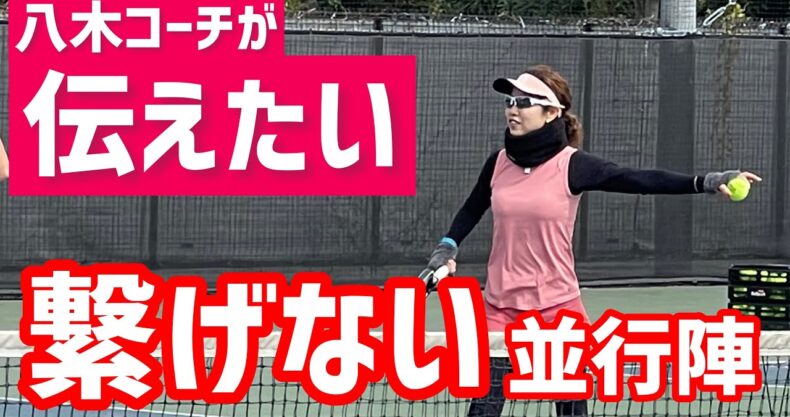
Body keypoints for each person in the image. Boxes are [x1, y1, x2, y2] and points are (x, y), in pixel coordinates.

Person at [425, 65, 762, 417]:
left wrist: (706, 181)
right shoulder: (497, 163)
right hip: (500, 307)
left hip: (558, 308)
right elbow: (472, 208)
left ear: (551, 112)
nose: (513, 108)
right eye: (510, 101)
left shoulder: (572, 165)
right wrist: (447, 247)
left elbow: (639, 179)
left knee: (572, 409)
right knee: (484, 407)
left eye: (524, 102)